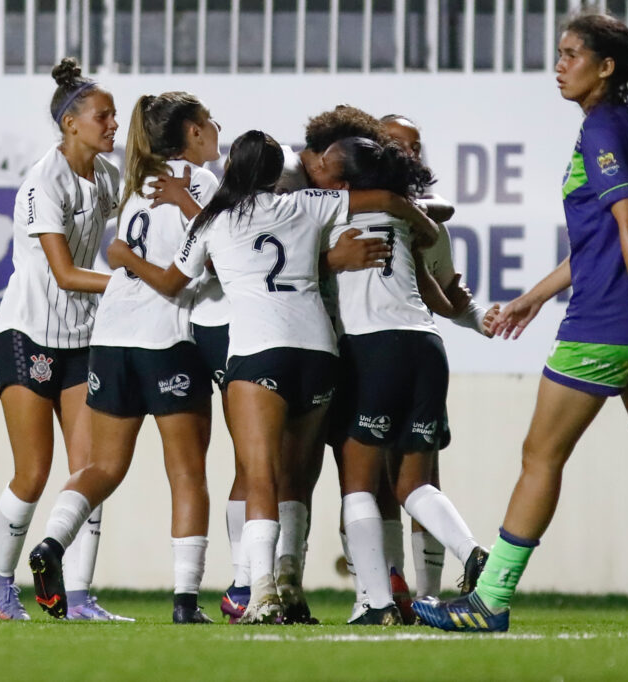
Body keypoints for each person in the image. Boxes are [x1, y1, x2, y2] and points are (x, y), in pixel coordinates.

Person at [413, 11, 628, 635]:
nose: (558, 66)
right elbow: (601, 243)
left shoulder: (603, 127)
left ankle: (490, 600)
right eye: (558, 55)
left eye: (570, 55)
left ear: (605, 67)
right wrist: (535, 298)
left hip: (612, 322)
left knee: (541, 455)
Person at [106, 130, 439, 623]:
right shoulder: (307, 202)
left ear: (231, 171)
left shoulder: (213, 221)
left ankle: (258, 590)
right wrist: (424, 222)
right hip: (317, 355)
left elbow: (173, 282)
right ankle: (291, 582)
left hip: (257, 355)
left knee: (259, 475)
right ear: (276, 174)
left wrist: (125, 258)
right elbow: (384, 199)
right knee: (298, 478)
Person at [27, 91, 223, 624]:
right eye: (208, 121)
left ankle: (49, 545)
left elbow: (125, 254)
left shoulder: (134, 186)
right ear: (192, 134)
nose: (216, 127)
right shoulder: (201, 185)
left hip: (112, 336)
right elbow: (226, 251)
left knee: (103, 467)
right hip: (168, 340)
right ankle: (186, 602)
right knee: (187, 475)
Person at [313, 137, 490, 624]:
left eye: (324, 164)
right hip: (426, 347)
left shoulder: (327, 215)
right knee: (413, 483)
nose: (314, 168)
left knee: (359, 485)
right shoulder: (401, 218)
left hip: (374, 348)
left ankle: (375, 603)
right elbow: (441, 297)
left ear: (345, 184)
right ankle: (474, 554)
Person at [0, 58, 129, 622]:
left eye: (115, 115)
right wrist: (133, 284)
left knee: (90, 469)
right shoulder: (43, 180)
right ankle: (0, 583)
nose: (113, 124)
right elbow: (66, 273)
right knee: (34, 472)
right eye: (103, 115)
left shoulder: (110, 177)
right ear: (71, 123)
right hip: (27, 333)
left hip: (82, 336)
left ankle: (78, 596)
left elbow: (124, 242)